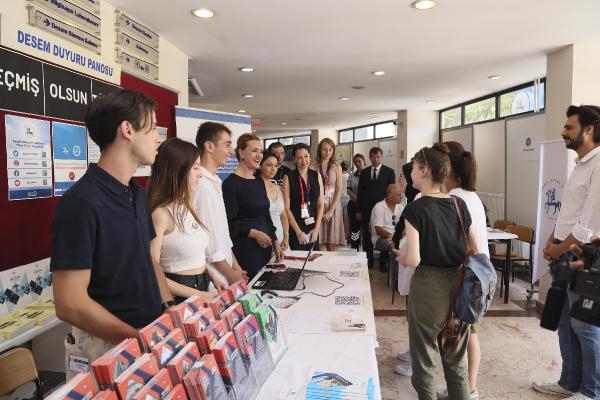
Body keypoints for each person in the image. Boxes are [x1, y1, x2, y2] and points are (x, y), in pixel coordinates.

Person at [50, 89, 174, 379]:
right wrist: (134, 338)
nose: (158, 138)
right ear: (127, 130)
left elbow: (148, 259)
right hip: (107, 346)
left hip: (145, 335)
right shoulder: (81, 203)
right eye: (152, 129)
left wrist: (169, 308)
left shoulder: (137, 194)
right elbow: (69, 303)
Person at [396, 143, 480, 400]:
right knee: (455, 362)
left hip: (428, 288)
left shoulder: (415, 208)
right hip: (459, 286)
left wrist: (401, 256)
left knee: (424, 361)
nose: (410, 171)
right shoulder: (458, 203)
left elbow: (414, 258)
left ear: (425, 170)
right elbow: (475, 248)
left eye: (414, 166)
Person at [532, 105, 600, 400]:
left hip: (584, 257)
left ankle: (591, 391)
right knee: (563, 321)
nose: (563, 132)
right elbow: (568, 213)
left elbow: (589, 222)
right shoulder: (581, 164)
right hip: (565, 252)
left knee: (584, 325)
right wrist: (552, 239)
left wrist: (560, 247)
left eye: (569, 127)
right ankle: (569, 382)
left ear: (589, 129)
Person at [436, 140, 489, 400]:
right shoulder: (472, 196)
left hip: (463, 276)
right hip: (478, 275)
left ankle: (463, 391)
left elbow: (454, 242)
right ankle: (469, 388)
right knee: (470, 335)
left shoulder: (454, 199)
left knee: (460, 337)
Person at [147, 138, 217, 304]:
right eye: (195, 168)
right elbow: (151, 271)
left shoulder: (186, 204)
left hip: (202, 286)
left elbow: (194, 254)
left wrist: (211, 275)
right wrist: (199, 295)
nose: (200, 174)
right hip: (178, 296)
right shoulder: (161, 214)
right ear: (177, 170)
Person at [194, 122, 248, 288]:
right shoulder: (202, 186)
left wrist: (236, 268)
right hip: (214, 282)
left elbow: (223, 236)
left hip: (225, 276)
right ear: (209, 146)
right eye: (227, 145)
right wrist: (231, 274)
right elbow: (210, 245)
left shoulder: (215, 182)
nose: (232, 151)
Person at [223, 134, 283, 279]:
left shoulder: (258, 182)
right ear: (241, 153)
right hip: (245, 251)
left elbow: (266, 216)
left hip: (265, 249)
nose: (259, 155)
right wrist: (254, 233)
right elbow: (228, 224)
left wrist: (275, 242)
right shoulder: (231, 184)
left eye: (261, 151)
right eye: (254, 151)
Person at [357, 147, 396, 270]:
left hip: (384, 210)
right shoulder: (364, 172)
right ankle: (368, 261)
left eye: (378, 157)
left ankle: (383, 262)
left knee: (383, 234)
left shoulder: (389, 172)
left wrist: (391, 208)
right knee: (367, 236)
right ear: (369, 158)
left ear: (381, 157)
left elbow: (392, 192)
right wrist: (359, 210)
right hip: (367, 209)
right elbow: (360, 193)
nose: (376, 159)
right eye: (373, 157)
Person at [283, 142, 324, 250]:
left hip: (313, 227)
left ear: (310, 157)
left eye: (306, 156)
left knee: (313, 257)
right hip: (296, 227)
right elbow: (286, 208)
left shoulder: (316, 175)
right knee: (297, 258)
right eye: (299, 158)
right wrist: (298, 232)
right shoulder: (288, 177)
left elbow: (320, 204)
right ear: (294, 159)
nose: (304, 160)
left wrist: (317, 229)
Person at [317, 138, 346, 251]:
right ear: (320, 150)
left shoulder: (337, 167)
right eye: (324, 149)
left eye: (330, 150)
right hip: (319, 202)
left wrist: (331, 210)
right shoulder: (313, 166)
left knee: (331, 240)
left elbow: (339, 190)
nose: (327, 152)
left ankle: (331, 261)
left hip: (332, 203)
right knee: (318, 239)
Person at [259, 152, 290, 251]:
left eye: (276, 165)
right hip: (265, 241)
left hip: (282, 241)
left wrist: (286, 237)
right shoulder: (255, 188)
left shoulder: (277, 188)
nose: (273, 169)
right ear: (260, 165)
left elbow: (283, 215)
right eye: (269, 165)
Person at [370, 183, 406, 262]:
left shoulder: (401, 207)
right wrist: (395, 238)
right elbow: (379, 231)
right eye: (399, 195)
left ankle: (401, 267)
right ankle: (393, 269)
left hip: (395, 237)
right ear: (390, 197)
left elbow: (405, 225)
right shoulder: (379, 207)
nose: (401, 196)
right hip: (380, 238)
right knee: (396, 246)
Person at [347, 154, 366, 249]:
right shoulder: (351, 175)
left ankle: (366, 250)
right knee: (355, 229)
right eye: (355, 162)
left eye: (359, 161)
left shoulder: (368, 174)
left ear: (364, 162)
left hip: (366, 206)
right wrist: (359, 201)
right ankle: (355, 247)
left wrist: (362, 202)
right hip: (353, 205)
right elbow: (348, 190)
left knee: (366, 228)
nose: (357, 163)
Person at [340, 160, 351, 239]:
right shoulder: (350, 176)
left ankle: (338, 237)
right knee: (346, 220)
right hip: (348, 198)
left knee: (339, 219)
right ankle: (345, 238)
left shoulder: (338, 175)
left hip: (339, 199)